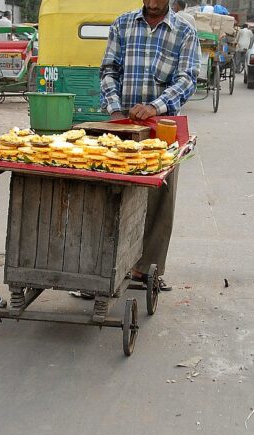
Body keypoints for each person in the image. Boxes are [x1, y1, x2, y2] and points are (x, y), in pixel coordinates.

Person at [100, 0, 199, 290]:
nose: (152, 2)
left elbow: (187, 79)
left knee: (159, 195)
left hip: (162, 125)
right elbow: (108, 70)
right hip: (123, 122)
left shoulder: (184, 31)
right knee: (112, 192)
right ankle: (105, 266)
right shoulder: (123, 24)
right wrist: (116, 110)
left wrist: (156, 107)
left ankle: (147, 269)